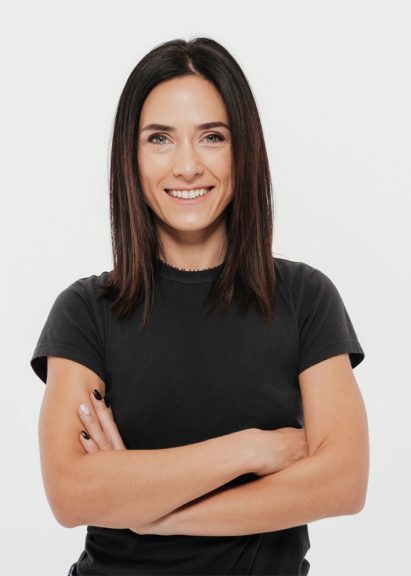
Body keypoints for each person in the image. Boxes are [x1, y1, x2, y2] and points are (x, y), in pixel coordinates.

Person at [30, 37, 369, 576]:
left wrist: (154, 514)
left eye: (212, 137)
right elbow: (71, 494)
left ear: (243, 150)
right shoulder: (86, 310)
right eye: (160, 138)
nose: (187, 166)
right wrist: (252, 450)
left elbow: (343, 483)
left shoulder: (304, 296)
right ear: (131, 157)